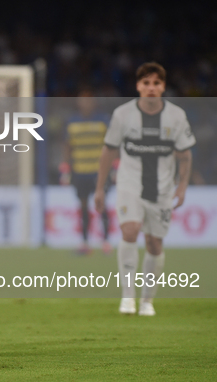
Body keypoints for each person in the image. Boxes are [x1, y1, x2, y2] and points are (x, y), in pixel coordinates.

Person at [94, 62, 195, 316]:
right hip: (129, 184)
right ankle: (128, 298)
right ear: (138, 86)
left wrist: (182, 186)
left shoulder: (176, 116)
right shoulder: (122, 114)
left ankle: (147, 301)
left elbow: (184, 155)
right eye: (146, 83)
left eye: (156, 83)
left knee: (154, 244)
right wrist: (99, 188)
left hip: (162, 189)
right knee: (130, 230)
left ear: (163, 86)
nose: (151, 88)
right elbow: (109, 150)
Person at [60, 89, 112, 255]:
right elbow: (67, 146)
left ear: (94, 103)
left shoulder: (103, 120)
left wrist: (114, 166)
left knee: (101, 204)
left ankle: (106, 242)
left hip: (99, 172)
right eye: (83, 101)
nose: (86, 104)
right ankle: (84, 242)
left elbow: (111, 146)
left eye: (88, 101)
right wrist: (66, 169)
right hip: (80, 171)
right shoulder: (72, 122)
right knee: (83, 207)